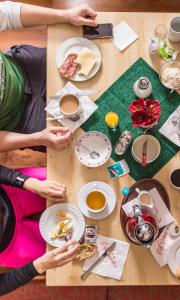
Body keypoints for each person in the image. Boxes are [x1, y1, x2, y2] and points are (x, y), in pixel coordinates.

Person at [0, 1, 98, 152]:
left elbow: (7, 14)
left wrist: (66, 15)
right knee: (80, 140)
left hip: (22, 67)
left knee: (95, 81)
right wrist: (38, 138)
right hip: (17, 120)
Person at [0, 164, 79, 296]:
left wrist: (26, 181)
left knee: (69, 182)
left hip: (10, 192)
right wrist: (39, 266)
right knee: (72, 251)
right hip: (10, 245)